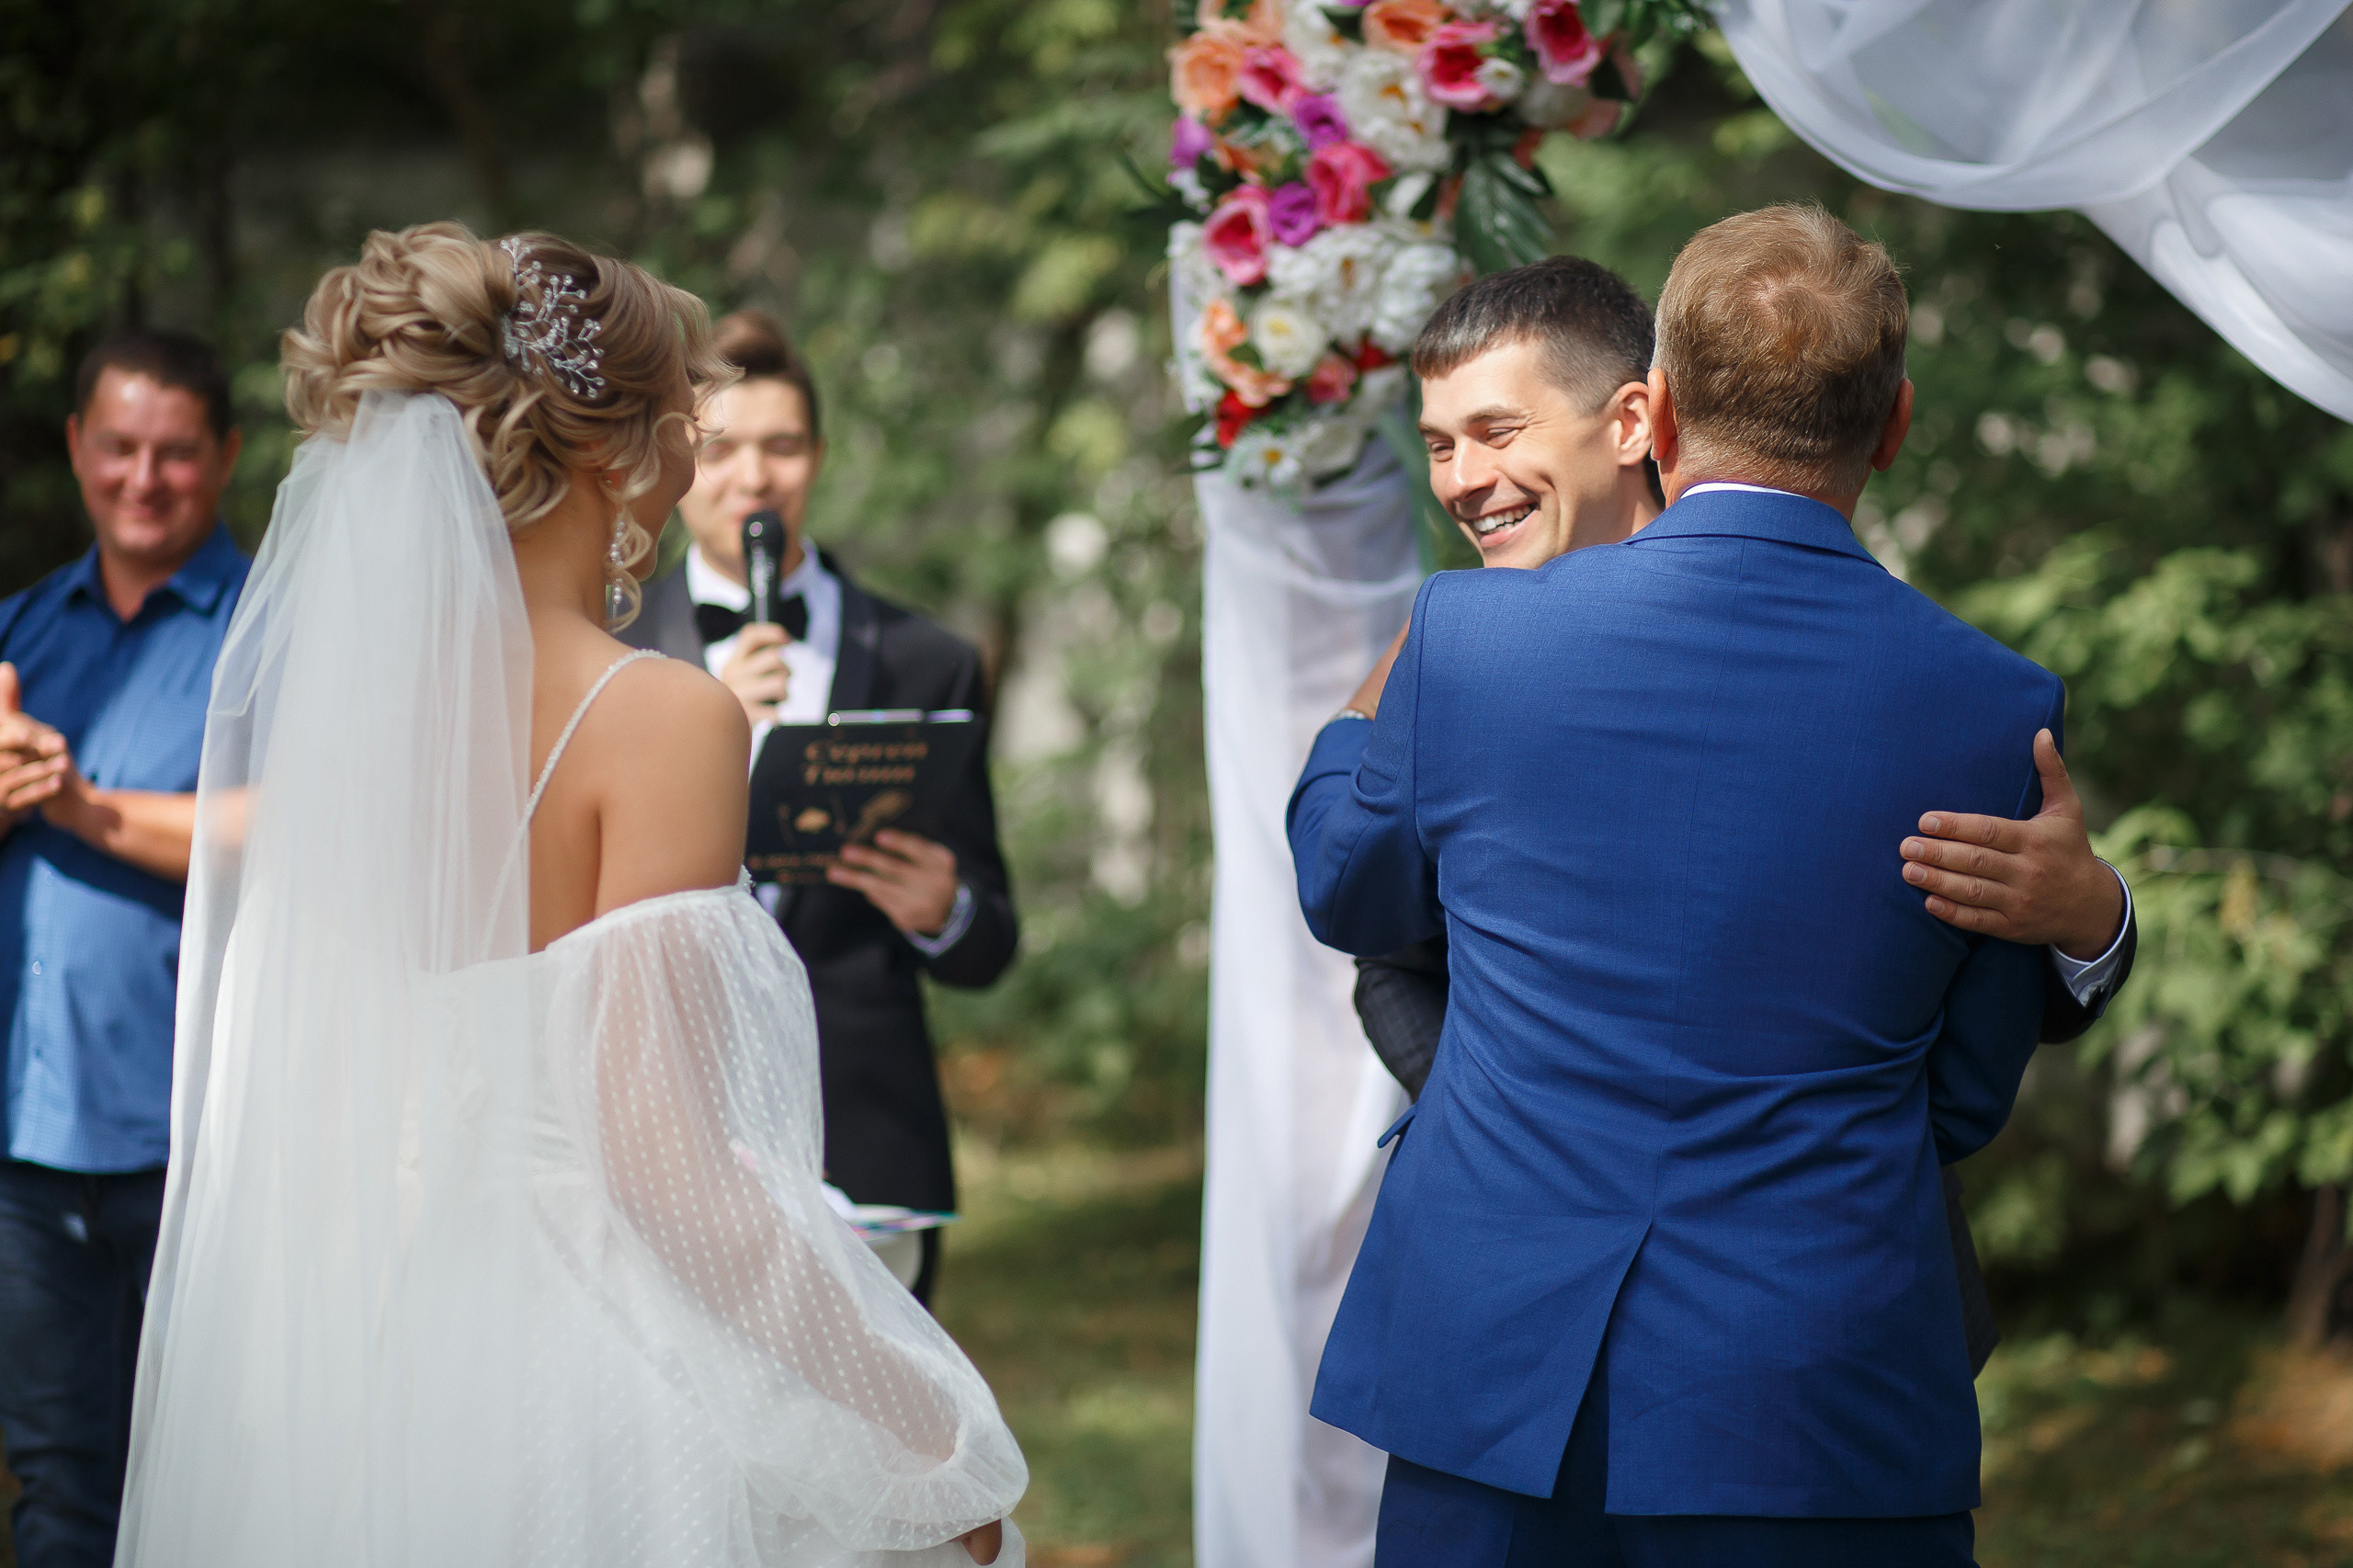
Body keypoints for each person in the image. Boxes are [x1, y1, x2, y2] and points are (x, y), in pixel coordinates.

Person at [114, 222, 1022, 1567]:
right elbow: (663, 1168)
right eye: (683, 410)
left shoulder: (354, 723)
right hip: (595, 1371)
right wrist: (917, 1422)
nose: (698, 440)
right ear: (615, 450)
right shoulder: (663, 715)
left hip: (387, 1359)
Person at [1289, 205, 2129, 1566]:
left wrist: (1350, 728)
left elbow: (1346, 891)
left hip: (1495, 1379)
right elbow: (1964, 1093)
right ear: (1895, 424)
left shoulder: (1468, 639)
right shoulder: (1991, 707)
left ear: (1658, 409)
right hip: (1815, 1391)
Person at [621, 310, 1015, 1304]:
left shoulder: (927, 659)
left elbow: (989, 945)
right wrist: (713, 736)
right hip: (663, 1122)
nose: (754, 477)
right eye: (722, 449)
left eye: (783, 447)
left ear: (819, 459)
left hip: (865, 1136)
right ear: (678, 459)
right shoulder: (609, 650)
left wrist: (945, 907)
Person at [0, 330, 249, 1568]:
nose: (142, 478)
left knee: (216, 1486)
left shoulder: (269, 633)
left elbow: (297, 829)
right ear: (75, 447)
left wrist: (74, 801)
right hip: (28, 1145)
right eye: (117, 446)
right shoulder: (18, 627)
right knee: (58, 1489)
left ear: (227, 457)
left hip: (203, 1142)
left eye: (175, 452)